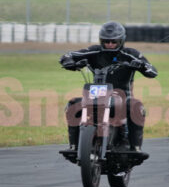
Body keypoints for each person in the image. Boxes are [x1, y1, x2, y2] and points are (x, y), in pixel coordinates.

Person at [59, 21, 158, 151]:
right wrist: (69, 62)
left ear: (121, 41)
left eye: (114, 42)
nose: (110, 44)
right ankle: (74, 145)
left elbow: (152, 71)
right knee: (73, 104)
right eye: (107, 41)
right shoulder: (94, 52)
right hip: (97, 95)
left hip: (123, 97)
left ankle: (135, 147)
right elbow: (69, 55)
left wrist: (142, 66)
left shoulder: (130, 54)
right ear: (101, 41)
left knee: (136, 106)